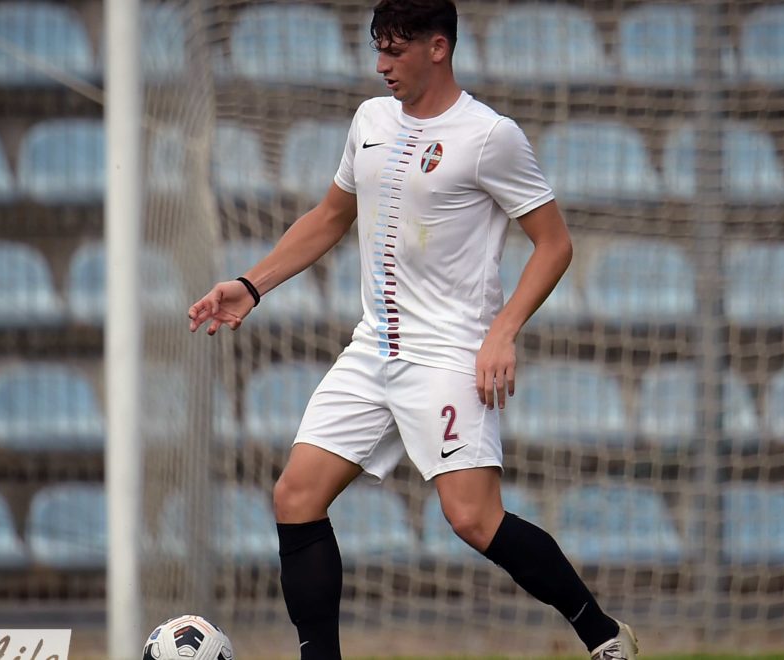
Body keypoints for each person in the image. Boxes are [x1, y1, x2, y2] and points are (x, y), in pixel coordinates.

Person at [188, 1, 638, 658]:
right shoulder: (370, 120)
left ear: (438, 47)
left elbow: (555, 244)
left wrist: (502, 332)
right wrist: (251, 285)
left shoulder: (490, 136)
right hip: (373, 348)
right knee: (295, 496)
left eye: (395, 51)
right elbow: (330, 215)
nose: (381, 65)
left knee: (473, 519)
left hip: (449, 355)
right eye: (378, 49)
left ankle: (605, 638)